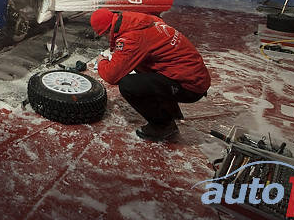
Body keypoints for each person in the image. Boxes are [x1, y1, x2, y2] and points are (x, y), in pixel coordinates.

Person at [90, 9, 211, 141]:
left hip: (190, 87)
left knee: (128, 84)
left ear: (108, 30)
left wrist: (102, 62)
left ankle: (163, 126)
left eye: (104, 35)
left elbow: (111, 76)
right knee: (140, 65)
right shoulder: (141, 21)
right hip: (195, 77)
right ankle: (171, 111)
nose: (106, 38)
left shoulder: (132, 37)